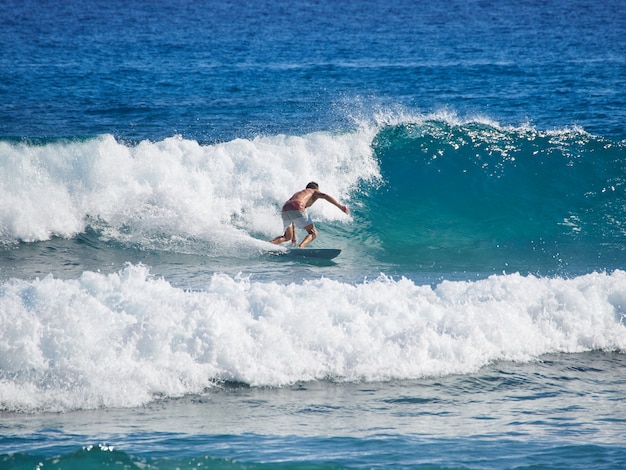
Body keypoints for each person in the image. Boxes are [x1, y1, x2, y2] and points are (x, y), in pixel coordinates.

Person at [270, 182, 350, 248]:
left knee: (287, 237)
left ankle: (269, 245)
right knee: (313, 233)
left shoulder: (298, 194)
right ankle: (300, 247)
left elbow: (292, 214)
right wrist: (340, 206)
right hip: (298, 205)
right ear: (316, 188)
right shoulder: (314, 191)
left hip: (285, 208)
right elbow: (325, 196)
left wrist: (293, 236)